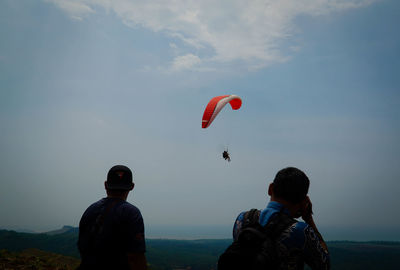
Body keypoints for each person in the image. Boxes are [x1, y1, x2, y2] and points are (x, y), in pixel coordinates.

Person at [232, 167, 330, 270]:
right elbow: (325, 264)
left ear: (270, 189)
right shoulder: (301, 231)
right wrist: (309, 219)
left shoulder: (242, 219)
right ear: (303, 202)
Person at [77, 165, 147, 270]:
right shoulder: (132, 213)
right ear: (132, 186)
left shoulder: (90, 210)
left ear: (105, 185)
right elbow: (135, 257)